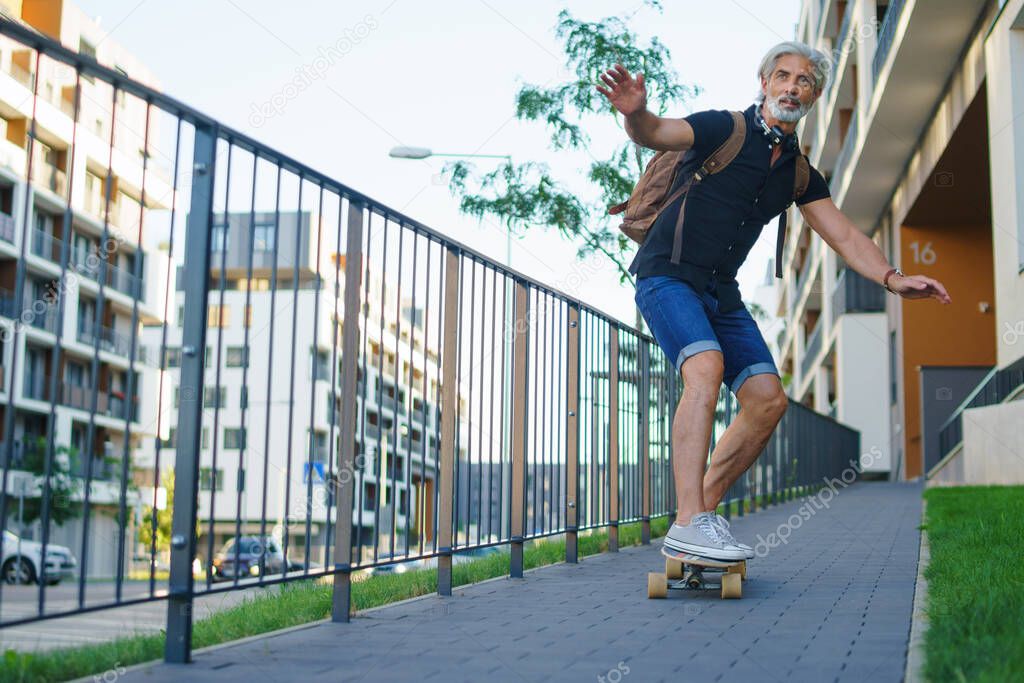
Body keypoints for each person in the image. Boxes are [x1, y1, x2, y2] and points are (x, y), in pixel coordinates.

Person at [596, 41, 951, 561]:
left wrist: (894, 279)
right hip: (666, 276)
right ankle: (691, 519)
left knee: (767, 400)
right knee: (706, 367)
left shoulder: (798, 173)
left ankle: (694, 522)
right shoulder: (723, 128)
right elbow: (658, 133)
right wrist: (636, 114)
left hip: (723, 292)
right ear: (764, 83)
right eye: (782, 76)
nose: (791, 87)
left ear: (814, 95)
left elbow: (846, 236)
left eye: (804, 80)